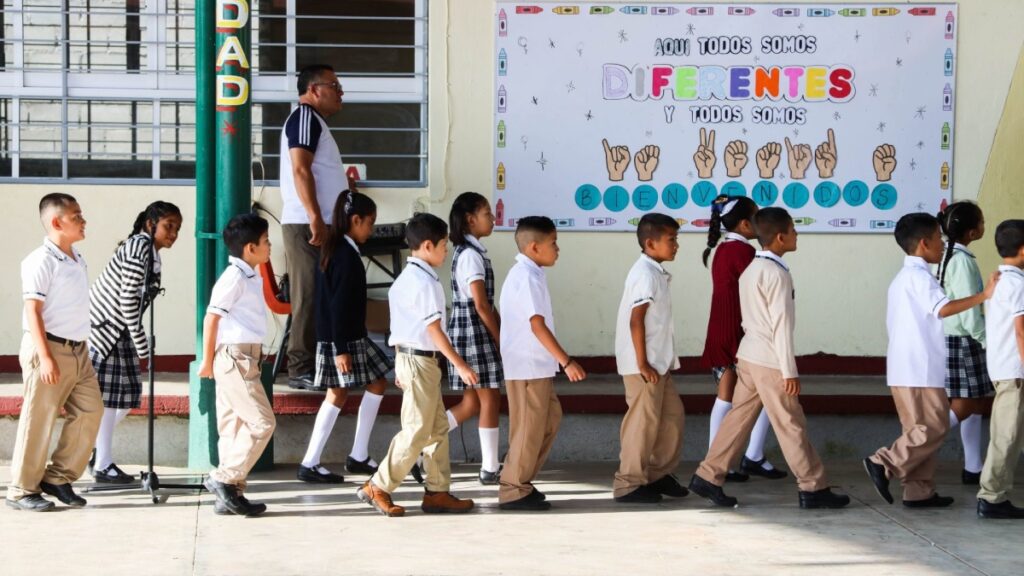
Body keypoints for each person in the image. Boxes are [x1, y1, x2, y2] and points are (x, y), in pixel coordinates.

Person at [689, 208, 849, 510]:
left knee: (737, 419)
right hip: (770, 361)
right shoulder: (777, 273)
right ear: (780, 237)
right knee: (791, 424)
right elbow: (781, 326)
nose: (797, 234)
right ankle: (813, 487)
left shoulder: (752, 268)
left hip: (748, 355)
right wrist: (790, 371)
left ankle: (708, 476)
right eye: (793, 230)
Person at [864, 213, 997, 509]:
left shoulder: (904, 277)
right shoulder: (919, 277)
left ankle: (919, 491)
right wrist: (983, 296)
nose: (942, 244)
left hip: (905, 367)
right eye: (938, 238)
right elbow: (945, 308)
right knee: (934, 427)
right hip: (919, 369)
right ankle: (882, 461)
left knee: (918, 430)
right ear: (924, 243)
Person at [357, 213, 478, 517]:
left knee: (436, 428)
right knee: (417, 430)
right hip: (420, 360)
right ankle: (378, 485)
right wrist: (460, 365)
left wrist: (402, 364)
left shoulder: (409, 279)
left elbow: (401, 327)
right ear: (427, 246)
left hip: (414, 359)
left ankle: (437, 492)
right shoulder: (424, 283)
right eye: (442, 245)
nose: (446, 250)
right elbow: (434, 330)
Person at [7, 193, 103, 512]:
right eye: (76, 216)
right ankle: (22, 490)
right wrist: (45, 356)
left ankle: (59, 477)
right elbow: (32, 309)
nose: (83, 220)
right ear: (56, 222)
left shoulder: (75, 257)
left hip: (78, 351)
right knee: (39, 419)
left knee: (91, 410)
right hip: (48, 348)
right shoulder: (41, 260)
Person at [297, 191, 389, 483]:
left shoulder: (338, 248)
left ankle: (359, 455)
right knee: (337, 393)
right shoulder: (345, 255)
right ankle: (310, 462)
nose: (372, 229)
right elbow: (336, 306)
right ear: (355, 220)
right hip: (342, 340)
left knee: (377, 381)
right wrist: (340, 349)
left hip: (349, 338)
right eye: (369, 223)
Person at [87, 201, 182, 484]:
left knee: (125, 397)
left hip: (119, 331)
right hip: (108, 331)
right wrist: (143, 346)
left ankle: (94, 450)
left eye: (177, 228)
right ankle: (101, 462)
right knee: (110, 399)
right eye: (168, 226)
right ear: (151, 224)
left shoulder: (148, 251)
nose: (174, 233)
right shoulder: (140, 248)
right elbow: (128, 300)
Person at [498, 216, 587, 511]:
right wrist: (567, 361)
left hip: (537, 365)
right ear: (534, 247)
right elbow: (537, 325)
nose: (558, 249)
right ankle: (513, 488)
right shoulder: (524, 276)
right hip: (526, 366)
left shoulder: (532, 273)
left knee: (547, 420)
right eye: (553, 243)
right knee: (527, 428)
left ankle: (522, 480)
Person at [699, 194, 785, 482]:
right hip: (734, 334)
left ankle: (752, 456)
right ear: (747, 224)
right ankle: (718, 460)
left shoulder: (726, 248)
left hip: (730, 330)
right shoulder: (743, 253)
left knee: (758, 396)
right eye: (757, 218)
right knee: (727, 398)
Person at [198, 213, 277, 517]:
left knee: (233, 427)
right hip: (235, 357)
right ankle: (222, 478)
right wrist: (206, 361)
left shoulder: (249, 275)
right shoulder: (233, 278)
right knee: (262, 422)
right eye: (266, 241)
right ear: (250, 248)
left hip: (244, 355)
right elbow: (211, 318)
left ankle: (229, 495)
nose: (270, 246)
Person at [279, 63, 350, 390]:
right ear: (313, 89)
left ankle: (318, 365)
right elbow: (301, 170)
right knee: (308, 294)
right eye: (334, 86)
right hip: (307, 224)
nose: (340, 92)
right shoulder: (305, 117)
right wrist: (314, 217)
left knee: (324, 294)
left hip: (322, 222)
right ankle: (300, 369)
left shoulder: (316, 123)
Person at [612, 213, 687, 504]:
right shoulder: (644, 274)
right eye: (671, 240)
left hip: (658, 364)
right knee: (641, 424)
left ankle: (655, 474)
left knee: (671, 417)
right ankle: (628, 483)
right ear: (650, 243)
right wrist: (642, 363)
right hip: (643, 365)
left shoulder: (654, 271)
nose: (676, 245)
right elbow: (636, 321)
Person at [444, 192, 505, 484]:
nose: (492, 219)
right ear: (470, 220)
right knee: (491, 395)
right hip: (473, 328)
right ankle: (490, 468)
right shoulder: (470, 256)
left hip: (468, 326)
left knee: (472, 404)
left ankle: (419, 449)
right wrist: (499, 337)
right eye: (487, 214)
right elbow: (481, 305)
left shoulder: (470, 252)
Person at [935, 201, 991, 485]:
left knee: (976, 401)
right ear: (971, 231)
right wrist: (986, 341)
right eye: (981, 222)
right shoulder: (962, 262)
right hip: (964, 338)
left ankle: (973, 466)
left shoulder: (947, 253)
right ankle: (909, 448)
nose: (984, 226)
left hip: (952, 337)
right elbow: (970, 311)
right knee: (966, 403)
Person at [977, 220, 1024, 519]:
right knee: (1007, 436)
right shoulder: (1017, 284)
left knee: (1006, 434)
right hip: (1014, 370)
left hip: (1002, 366)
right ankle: (992, 496)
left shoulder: (998, 280)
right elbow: (1021, 331)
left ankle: (996, 494)